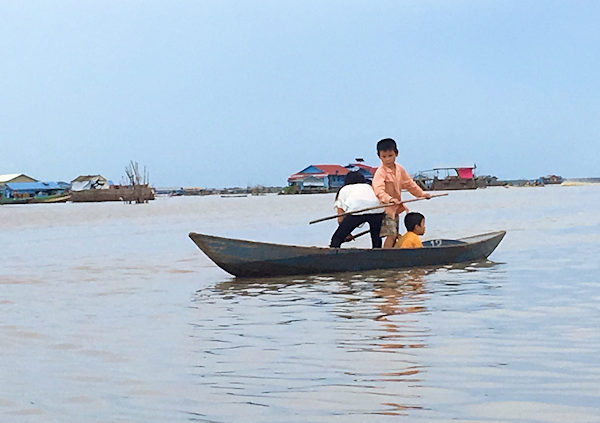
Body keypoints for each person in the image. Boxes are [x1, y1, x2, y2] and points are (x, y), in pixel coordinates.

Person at [372, 138, 431, 248]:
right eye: (384, 157)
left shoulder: (399, 169)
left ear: (396, 154)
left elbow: (410, 184)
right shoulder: (380, 172)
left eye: (390, 156)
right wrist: (389, 199)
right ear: (379, 156)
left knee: (395, 233)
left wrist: (422, 194)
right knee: (391, 234)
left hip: (396, 209)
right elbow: (378, 190)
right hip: (385, 208)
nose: (387, 159)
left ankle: (394, 253)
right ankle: (386, 257)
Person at [330, 171, 384, 248]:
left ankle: (332, 256)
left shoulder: (344, 189)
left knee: (336, 239)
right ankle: (378, 254)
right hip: (377, 210)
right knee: (376, 238)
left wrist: (346, 233)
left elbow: (340, 217)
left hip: (357, 210)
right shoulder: (369, 186)